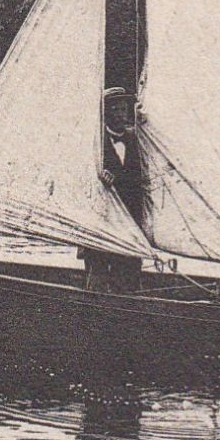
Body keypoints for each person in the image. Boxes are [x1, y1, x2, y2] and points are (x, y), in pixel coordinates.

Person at [80, 88, 146, 293]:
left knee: (128, 276)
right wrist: (98, 176)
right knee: (97, 277)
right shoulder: (94, 144)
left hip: (129, 222)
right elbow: (81, 176)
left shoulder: (136, 140)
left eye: (123, 109)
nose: (120, 114)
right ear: (105, 113)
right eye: (115, 109)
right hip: (100, 221)